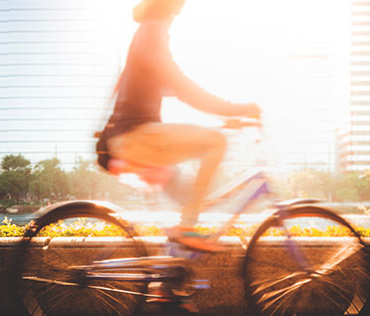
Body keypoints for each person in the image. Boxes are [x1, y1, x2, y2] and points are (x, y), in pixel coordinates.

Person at [104, 0, 260, 252]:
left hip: (132, 138)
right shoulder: (152, 33)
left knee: (191, 195)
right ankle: (187, 227)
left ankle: (167, 279)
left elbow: (170, 89)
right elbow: (183, 88)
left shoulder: (147, 32)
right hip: (136, 137)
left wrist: (223, 118)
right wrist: (237, 108)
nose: (178, 13)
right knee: (216, 143)